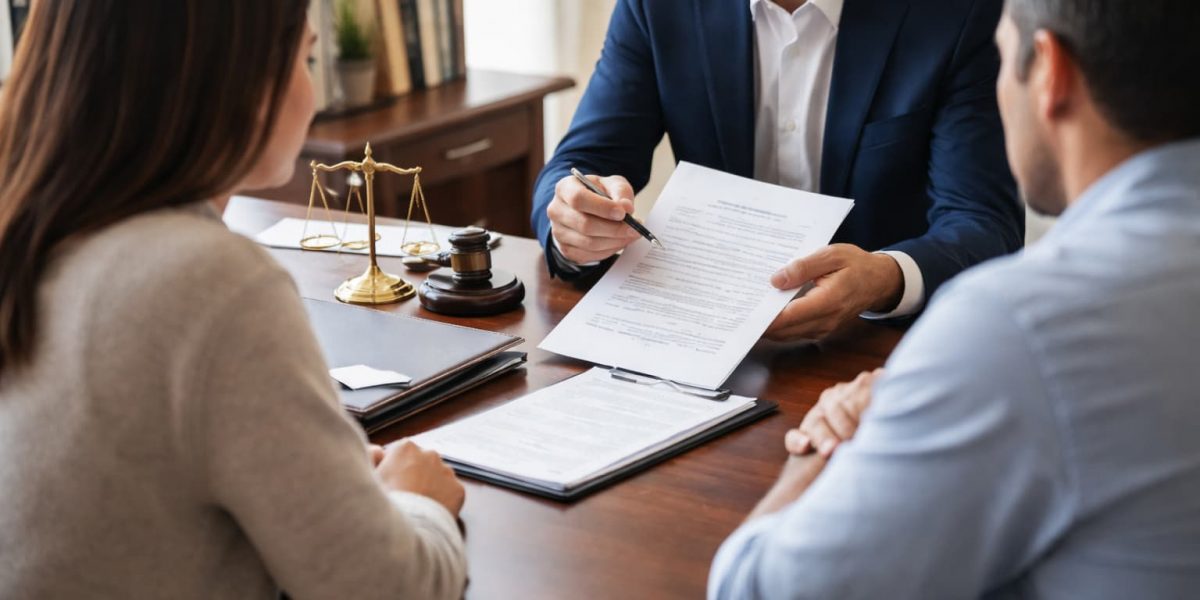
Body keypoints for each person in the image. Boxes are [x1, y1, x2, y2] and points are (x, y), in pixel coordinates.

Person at [708, 0, 1200, 596]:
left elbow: (756, 589)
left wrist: (822, 452)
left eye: (1002, 56)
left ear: (1050, 73)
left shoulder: (1015, 328)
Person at [0, 2, 467, 598]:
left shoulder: (33, 230)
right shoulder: (210, 283)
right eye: (307, 57)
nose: (313, 93)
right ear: (234, 81)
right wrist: (418, 499)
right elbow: (390, 587)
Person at [533, 0, 1024, 340]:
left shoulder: (961, 14)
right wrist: (575, 223)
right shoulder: (659, 7)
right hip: (700, 331)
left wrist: (885, 277)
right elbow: (580, 166)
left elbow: (984, 223)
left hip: (878, 352)